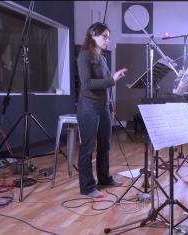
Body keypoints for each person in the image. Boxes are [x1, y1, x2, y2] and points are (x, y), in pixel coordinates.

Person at [76, 22, 128, 198]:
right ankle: (87, 187)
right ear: (93, 35)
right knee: (87, 148)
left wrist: (111, 107)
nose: (108, 39)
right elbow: (87, 84)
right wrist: (112, 79)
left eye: (108, 36)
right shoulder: (84, 56)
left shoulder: (102, 58)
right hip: (88, 107)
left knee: (105, 146)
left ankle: (104, 179)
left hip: (103, 107)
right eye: (104, 36)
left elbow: (106, 86)